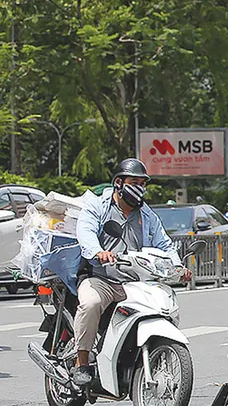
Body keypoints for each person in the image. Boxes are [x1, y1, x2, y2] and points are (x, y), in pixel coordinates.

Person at [73, 158, 183, 387]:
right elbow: (86, 233)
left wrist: (178, 266)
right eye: (134, 182)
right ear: (119, 183)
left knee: (161, 307)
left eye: (143, 183)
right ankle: (81, 362)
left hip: (135, 282)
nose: (139, 188)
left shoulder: (147, 215)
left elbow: (165, 244)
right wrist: (98, 252)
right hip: (100, 278)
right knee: (91, 304)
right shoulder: (98, 207)